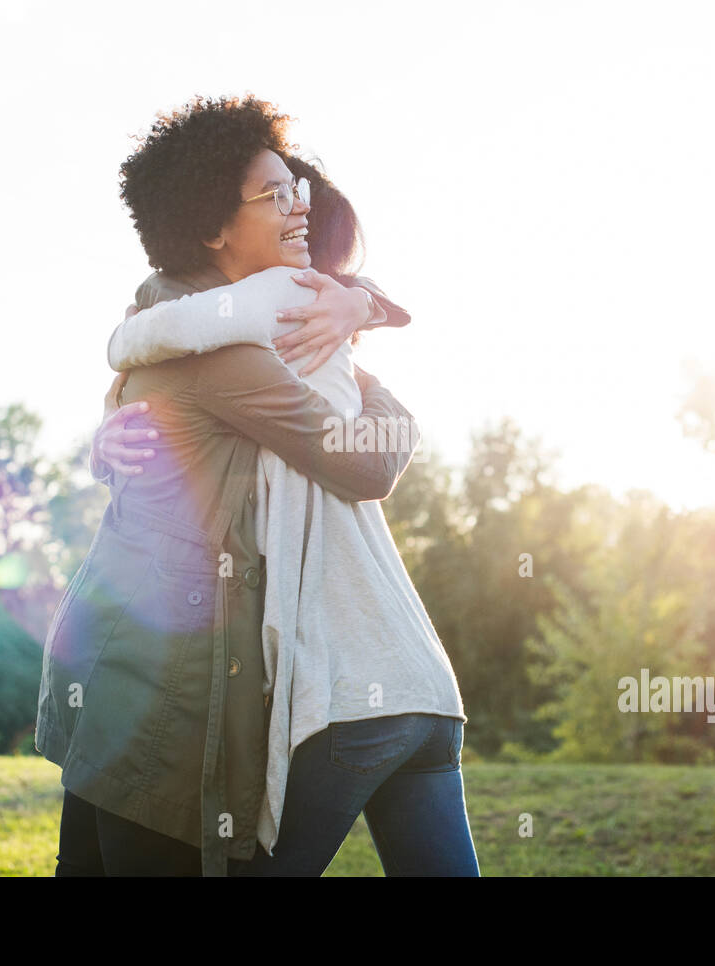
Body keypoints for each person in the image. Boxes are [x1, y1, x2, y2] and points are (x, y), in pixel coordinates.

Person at [36, 94, 427, 876]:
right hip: (161, 683)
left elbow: (145, 359)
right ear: (215, 227)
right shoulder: (223, 351)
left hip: (115, 650)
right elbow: (366, 461)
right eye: (275, 195)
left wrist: (357, 304)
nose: (296, 210)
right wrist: (372, 367)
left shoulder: (183, 313)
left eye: (298, 191)